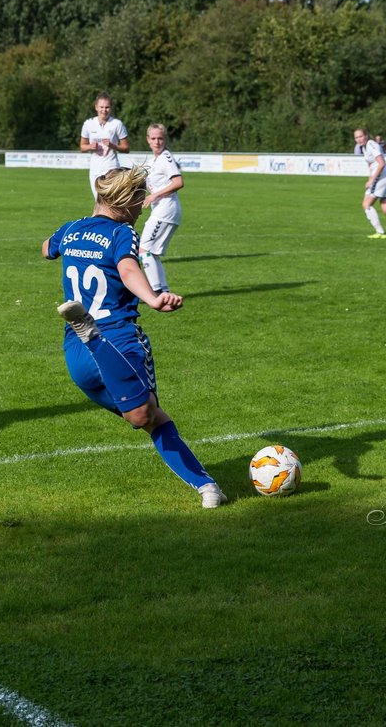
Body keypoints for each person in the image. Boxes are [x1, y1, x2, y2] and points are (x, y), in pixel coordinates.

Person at [43, 166, 227, 509]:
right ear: (124, 201)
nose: (143, 205)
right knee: (145, 414)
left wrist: (65, 245)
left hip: (76, 357)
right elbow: (128, 269)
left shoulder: (71, 229)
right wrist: (154, 297)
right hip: (116, 341)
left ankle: (208, 487)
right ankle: (92, 333)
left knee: (148, 417)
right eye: (140, 197)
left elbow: (45, 248)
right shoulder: (122, 232)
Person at [139, 124, 184, 292]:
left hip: (166, 211)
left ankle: (155, 292)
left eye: (160, 138)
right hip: (162, 210)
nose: (157, 142)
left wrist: (155, 195)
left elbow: (179, 182)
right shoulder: (153, 160)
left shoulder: (166, 158)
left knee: (144, 250)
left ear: (165, 139)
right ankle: (163, 291)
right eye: (153, 138)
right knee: (151, 252)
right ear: (148, 140)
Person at [78, 92, 129, 199]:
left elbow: (126, 148)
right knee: (98, 201)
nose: (104, 110)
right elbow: (82, 147)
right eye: (101, 107)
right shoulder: (88, 124)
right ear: (96, 107)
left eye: (107, 107)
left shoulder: (117, 124)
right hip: (95, 168)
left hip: (111, 167)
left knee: (111, 200)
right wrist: (90, 147)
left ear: (111, 108)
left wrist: (112, 145)